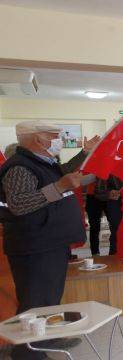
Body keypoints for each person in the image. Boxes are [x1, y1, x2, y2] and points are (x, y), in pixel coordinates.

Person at [0, 121, 99, 359]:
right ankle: (26, 353)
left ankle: (47, 338)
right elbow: (20, 204)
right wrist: (59, 187)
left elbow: (64, 175)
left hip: (49, 241)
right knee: (35, 301)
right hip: (34, 246)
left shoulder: (42, 162)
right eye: (54, 136)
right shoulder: (19, 167)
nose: (60, 140)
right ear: (38, 140)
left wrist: (85, 155)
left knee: (50, 298)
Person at [93, 175, 123, 255]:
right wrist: (109, 193)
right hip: (116, 202)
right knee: (117, 232)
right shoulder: (107, 165)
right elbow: (98, 191)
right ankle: (115, 260)